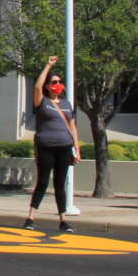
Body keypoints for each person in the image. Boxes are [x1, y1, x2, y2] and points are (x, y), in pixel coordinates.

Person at [23, 56, 81, 233]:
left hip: (64, 147)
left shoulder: (66, 104)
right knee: (42, 182)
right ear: (48, 86)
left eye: (60, 81)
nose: (58, 84)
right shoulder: (43, 102)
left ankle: (63, 220)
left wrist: (76, 149)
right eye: (54, 82)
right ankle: (31, 217)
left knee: (59, 183)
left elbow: (72, 127)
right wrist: (48, 65)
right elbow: (37, 87)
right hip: (45, 147)